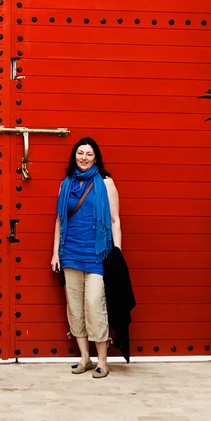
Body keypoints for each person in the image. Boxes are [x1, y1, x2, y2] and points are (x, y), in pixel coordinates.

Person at [51, 137, 121, 378]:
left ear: (96, 157)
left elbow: (114, 221)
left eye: (89, 154)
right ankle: (85, 358)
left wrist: (117, 253)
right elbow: (60, 221)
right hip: (70, 253)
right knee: (75, 308)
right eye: (80, 153)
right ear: (74, 156)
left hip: (97, 255)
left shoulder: (106, 183)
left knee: (94, 306)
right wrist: (55, 253)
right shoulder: (66, 184)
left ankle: (103, 359)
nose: (83, 157)